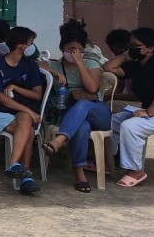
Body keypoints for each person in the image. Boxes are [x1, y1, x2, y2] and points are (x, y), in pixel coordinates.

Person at [39, 32, 107, 193]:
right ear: (62, 49)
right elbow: (35, 64)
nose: (75, 53)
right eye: (71, 49)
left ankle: (58, 141)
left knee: (84, 104)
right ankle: (79, 172)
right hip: (71, 114)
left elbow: (92, 88)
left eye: (80, 50)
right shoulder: (55, 65)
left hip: (98, 111)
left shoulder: (91, 63)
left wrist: (80, 63)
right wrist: (55, 73)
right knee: (82, 127)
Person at [0, 26, 44, 194]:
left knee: (24, 120)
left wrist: (16, 87)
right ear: (20, 45)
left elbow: (37, 95)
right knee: (28, 131)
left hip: (20, 113)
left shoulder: (30, 66)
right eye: (30, 43)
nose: (32, 46)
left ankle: (13, 165)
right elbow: (0, 98)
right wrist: (30, 112)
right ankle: (25, 177)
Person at [103, 27, 154, 188]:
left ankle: (136, 170)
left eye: (135, 45)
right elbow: (108, 67)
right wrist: (126, 55)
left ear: (150, 48)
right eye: (130, 45)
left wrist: (149, 112)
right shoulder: (138, 65)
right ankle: (107, 162)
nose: (131, 48)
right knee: (114, 121)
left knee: (131, 126)